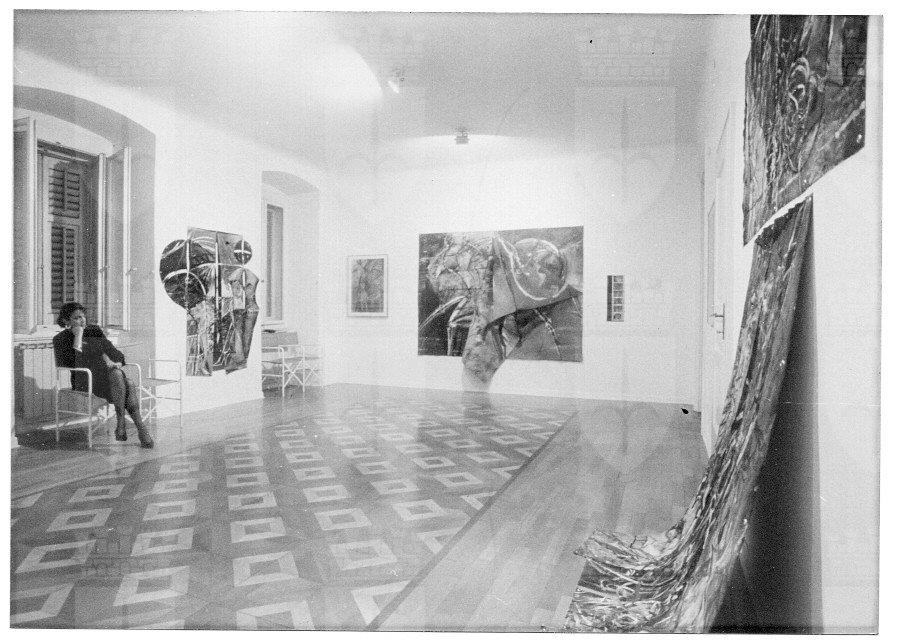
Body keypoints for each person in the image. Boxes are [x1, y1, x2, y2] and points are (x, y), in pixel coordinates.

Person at [52, 302, 154, 448]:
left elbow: (116, 354)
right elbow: (69, 364)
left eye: (83, 316)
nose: (82, 320)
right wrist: (78, 337)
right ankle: (138, 429)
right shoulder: (60, 339)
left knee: (122, 378)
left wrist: (117, 363)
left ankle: (122, 424)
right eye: (77, 318)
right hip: (84, 380)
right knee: (128, 383)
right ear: (66, 320)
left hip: (106, 379)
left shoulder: (94, 331)